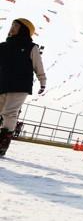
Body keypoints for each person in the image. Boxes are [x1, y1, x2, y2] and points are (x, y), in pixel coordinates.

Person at [0, 19, 46, 156]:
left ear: (24, 29)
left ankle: (2, 143)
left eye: (16, 26)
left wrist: (42, 81)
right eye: (12, 25)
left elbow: (38, 65)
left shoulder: (32, 47)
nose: (12, 28)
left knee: (10, 112)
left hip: (20, 85)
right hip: (2, 83)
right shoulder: (3, 46)